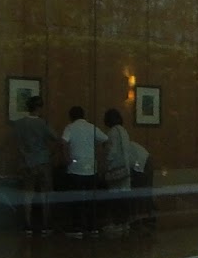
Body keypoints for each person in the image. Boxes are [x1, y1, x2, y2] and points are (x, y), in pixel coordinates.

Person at [1, 94, 56, 232]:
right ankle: (45, 224)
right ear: (39, 107)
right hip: (43, 161)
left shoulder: (19, 124)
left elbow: (14, 141)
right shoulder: (43, 123)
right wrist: (49, 153)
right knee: (44, 193)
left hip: (26, 161)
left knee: (27, 193)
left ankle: (28, 224)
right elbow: (55, 138)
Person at [57, 101, 104, 238]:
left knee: (76, 199)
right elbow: (104, 139)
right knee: (90, 200)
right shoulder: (91, 127)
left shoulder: (70, 127)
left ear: (71, 117)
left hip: (75, 168)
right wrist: (99, 158)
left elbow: (63, 142)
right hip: (91, 168)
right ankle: (92, 227)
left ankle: (77, 228)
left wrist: (66, 159)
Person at [102, 107, 144, 237]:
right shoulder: (124, 131)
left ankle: (116, 223)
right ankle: (125, 223)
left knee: (115, 198)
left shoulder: (112, 133)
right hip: (126, 168)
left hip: (115, 168)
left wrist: (105, 164)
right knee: (125, 197)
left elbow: (112, 152)